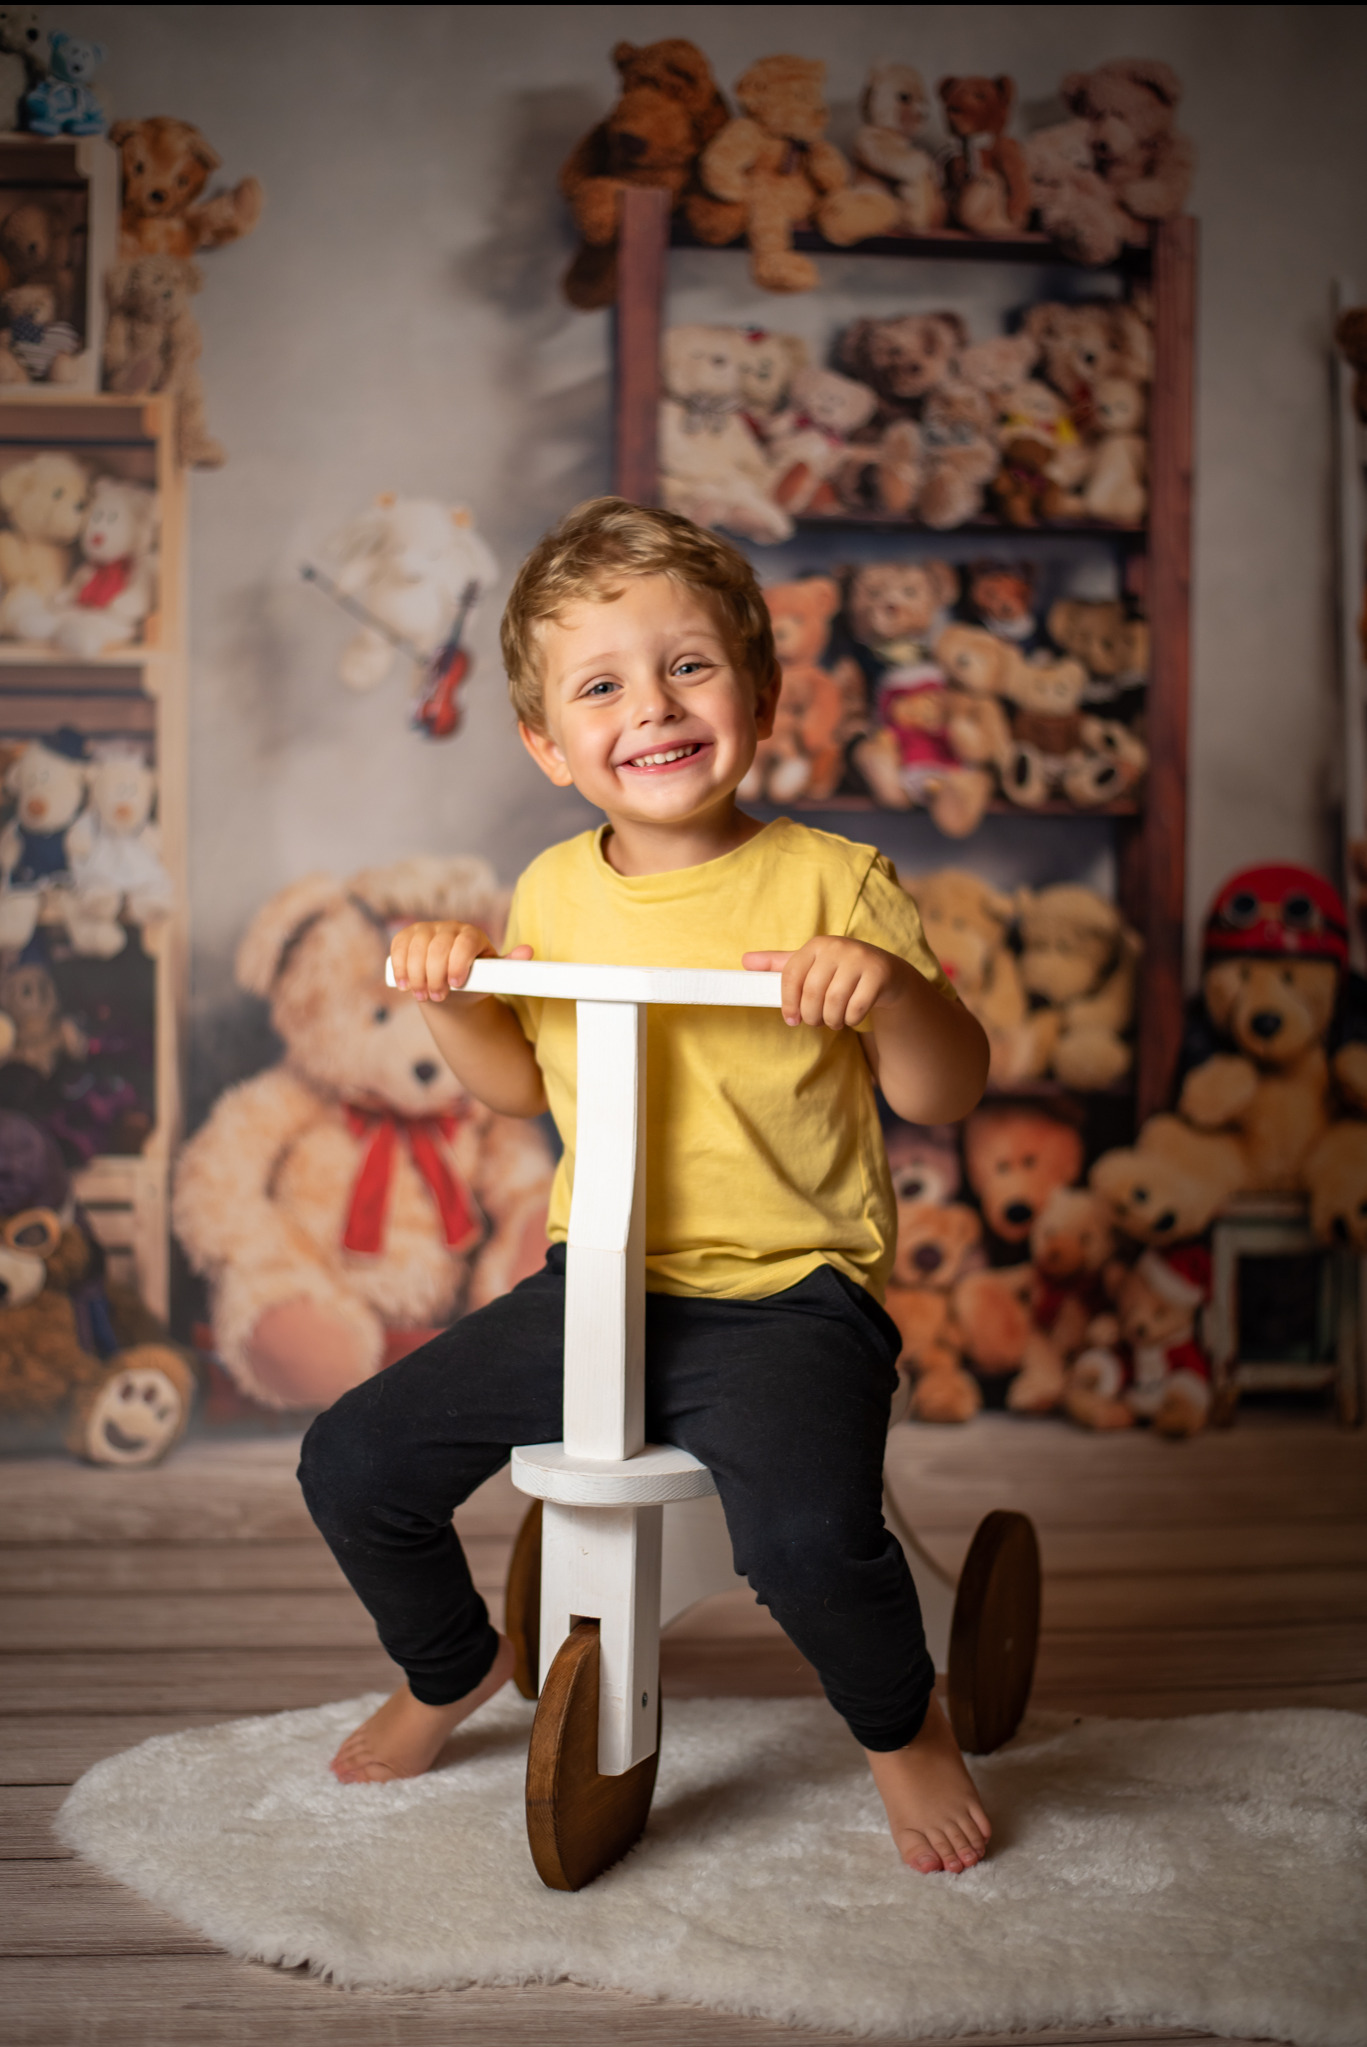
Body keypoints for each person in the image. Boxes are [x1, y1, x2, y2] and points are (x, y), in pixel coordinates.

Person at [299, 498, 992, 1876]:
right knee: (354, 1461)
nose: (653, 706)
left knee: (802, 1539)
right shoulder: (556, 890)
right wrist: (453, 990)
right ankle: (453, 1669)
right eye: (602, 686)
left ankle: (903, 1729)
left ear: (760, 689)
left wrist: (892, 993)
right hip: (599, 1290)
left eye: (689, 666)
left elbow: (946, 1090)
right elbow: (517, 1090)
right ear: (551, 748)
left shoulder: (832, 880)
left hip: (789, 1301)